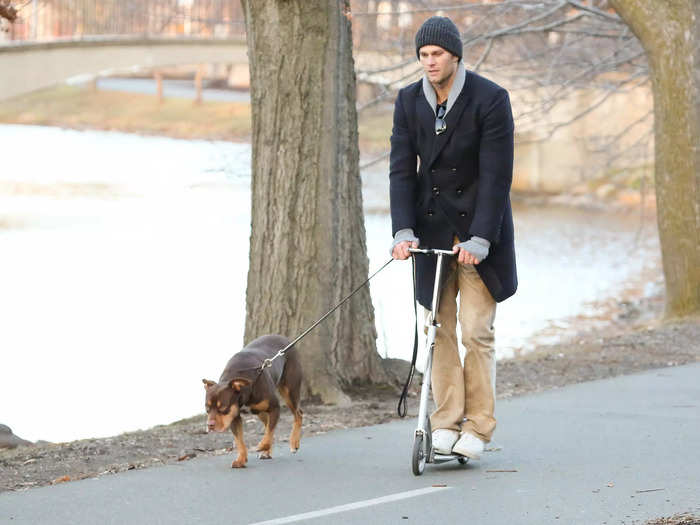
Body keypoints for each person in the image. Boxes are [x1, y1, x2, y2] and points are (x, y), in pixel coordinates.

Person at [389, 16, 517, 460]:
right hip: (431, 229)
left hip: (481, 232)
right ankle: (444, 422)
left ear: (455, 55)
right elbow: (403, 169)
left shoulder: (491, 99)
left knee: (476, 332)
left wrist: (481, 237)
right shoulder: (408, 101)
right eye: (423, 55)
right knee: (437, 330)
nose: (429, 62)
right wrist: (403, 230)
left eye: (436, 54)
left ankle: (478, 428)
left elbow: (498, 176)